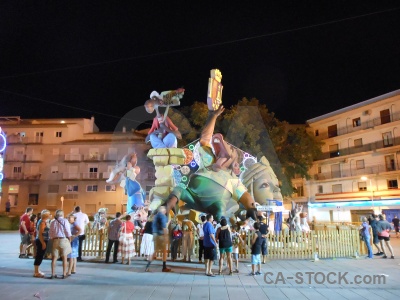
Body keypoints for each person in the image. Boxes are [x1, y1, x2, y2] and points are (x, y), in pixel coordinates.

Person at [146, 206, 171, 272]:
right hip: (161, 235)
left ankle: (148, 265)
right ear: (163, 211)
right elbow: (164, 227)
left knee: (155, 251)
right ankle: (164, 267)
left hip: (155, 234)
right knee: (164, 251)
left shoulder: (155, 216)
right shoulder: (163, 216)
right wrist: (166, 236)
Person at [49, 209, 72, 279]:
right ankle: (64, 274)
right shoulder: (65, 221)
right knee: (64, 257)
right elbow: (67, 231)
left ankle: (53, 274)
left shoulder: (53, 222)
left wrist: (53, 238)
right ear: (62, 214)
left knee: (54, 258)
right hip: (63, 239)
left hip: (55, 240)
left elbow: (50, 232)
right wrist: (70, 239)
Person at [33, 209, 50, 278]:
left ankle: (37, 270)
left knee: (40, 255)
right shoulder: (42, 223)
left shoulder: (42, 221)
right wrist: (43, 243)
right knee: (39, 255)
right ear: (46, 215)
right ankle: (36, 272)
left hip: (41, 240)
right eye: (48, 214)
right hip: (41, 240)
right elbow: (40, 234)